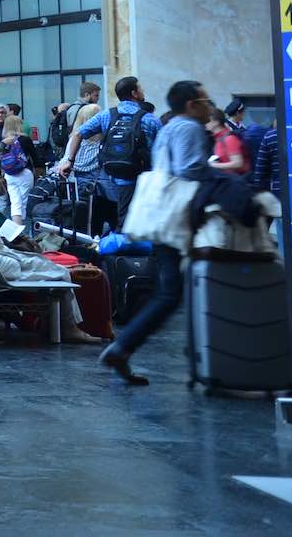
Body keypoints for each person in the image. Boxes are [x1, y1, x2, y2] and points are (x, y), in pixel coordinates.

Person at [98, 80, 221, 384]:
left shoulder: (168, 126)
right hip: (177, 218)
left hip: (161, 215)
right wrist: (224, 174)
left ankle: (131, 349)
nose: (211, 107)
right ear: (192, 105)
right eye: (206, 101)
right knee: (171, 293)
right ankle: (127, 347)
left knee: (174, 291)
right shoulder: (189, 128)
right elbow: (190, 169)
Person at [0, 173, 104, 346]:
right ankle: (69, 328)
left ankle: (52, 325)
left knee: (48, 265)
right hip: (0, 269)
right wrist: (18, 262)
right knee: (61, 272)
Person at [70, 76, 162, 231]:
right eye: (140, 88)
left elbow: (79, 133)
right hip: (141, 177)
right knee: (135, 218)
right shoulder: (149, 119)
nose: (143, 91)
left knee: (118, 215)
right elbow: (162, 147)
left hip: (110, 177)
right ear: (134, 93)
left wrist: (69, 160)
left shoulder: (107, 115)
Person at [51, 82, 104, 178]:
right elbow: (77, 133)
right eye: (96, 95)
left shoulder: (72, 108)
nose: (98, 98)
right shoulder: (84, 110)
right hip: (77, 153)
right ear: (87, 95)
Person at [0, 114, 34, 223]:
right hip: (25, 173)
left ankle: (17, 231)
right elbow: (35, 157)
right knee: (24, 201)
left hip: (9, 174)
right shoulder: (25, 139)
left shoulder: (4, 141)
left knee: (15, 202)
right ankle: (23, 230)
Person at [205, 108, 247, 175]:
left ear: (216, 122)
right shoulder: (218, 138)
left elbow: (238, 163)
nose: (205, 123)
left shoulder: (229, 139)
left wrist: (213, 165)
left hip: (235, 181)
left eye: (207, 121)